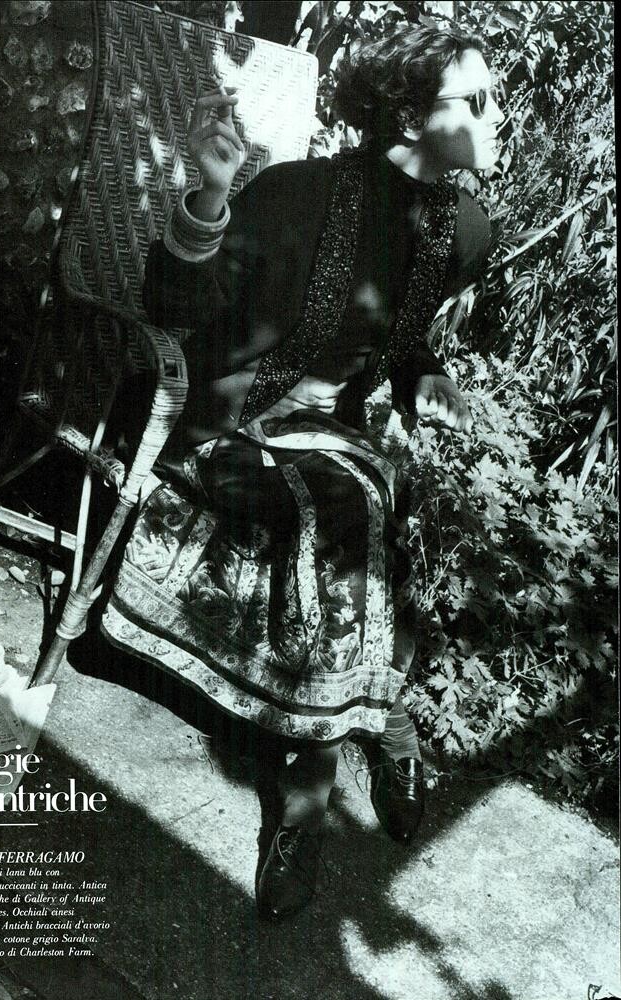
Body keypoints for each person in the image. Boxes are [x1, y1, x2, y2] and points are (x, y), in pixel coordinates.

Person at [105, 22, 502, 919]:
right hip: (223, 419)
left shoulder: (464, 230)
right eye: (475, 101)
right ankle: (343, 763)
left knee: (363, 491)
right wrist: (210, 195)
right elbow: (172, 307)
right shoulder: (295, 194)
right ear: (409, 115)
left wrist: (423, 373)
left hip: (326, 435)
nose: (496, 116)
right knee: (353, 501)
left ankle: (332, 758)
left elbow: (398, 334)